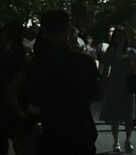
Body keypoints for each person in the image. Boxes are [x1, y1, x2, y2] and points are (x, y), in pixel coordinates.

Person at [28, 8, 99, 155]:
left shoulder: (36, 65)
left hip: (52, 132)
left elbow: (33, 101)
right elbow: (95, 93)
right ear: (68, 30)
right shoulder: (84, 62)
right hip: (81, 130)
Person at [0, 21, 34, 155]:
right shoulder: (21, 53)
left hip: (1, 105)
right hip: (12, 105)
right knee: (18, 143)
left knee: (1, 145)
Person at [100, 25, 136, 153]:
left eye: (122, 36)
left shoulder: (131, 51)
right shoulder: (111, 51)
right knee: (115, 115)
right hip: (114, 84)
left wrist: (133, 64)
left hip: (127, 84)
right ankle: (116, 141)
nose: (120, 38)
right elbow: (105, 68)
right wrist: (104, 83)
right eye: (117, 36)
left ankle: (128, 139)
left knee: (128, 115)